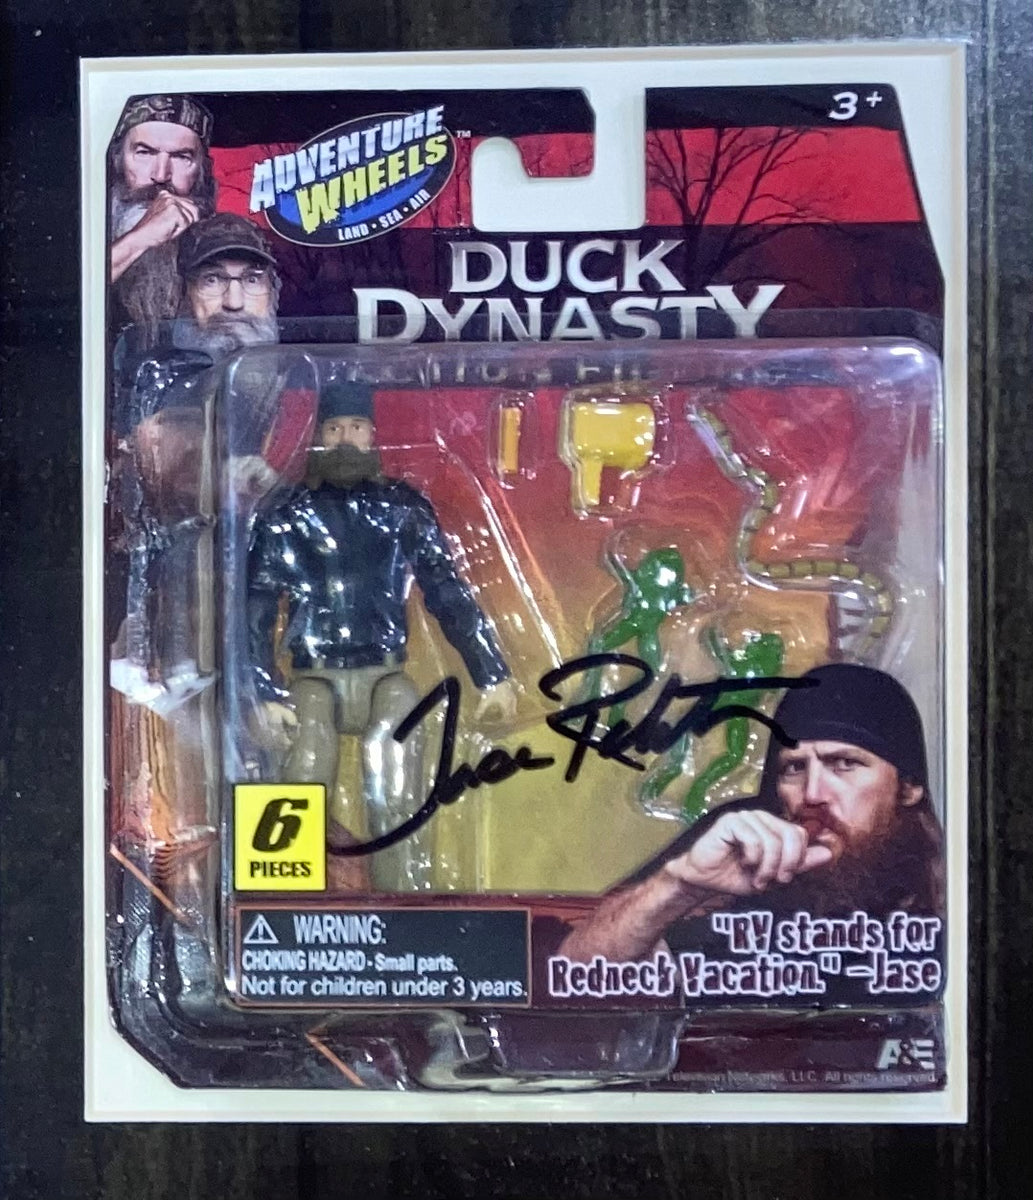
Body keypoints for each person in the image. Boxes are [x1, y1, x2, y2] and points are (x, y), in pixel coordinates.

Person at [247, 380, 517, 892]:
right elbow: (256, 604)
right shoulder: (287, 513)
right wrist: (263, 690)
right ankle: (281, 896)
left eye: (355, 427)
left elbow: (446, 590)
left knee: (396, 780)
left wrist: (491, 673)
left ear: (372, 434)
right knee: (303, 770)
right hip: (312, 678)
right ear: (319, 436)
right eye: (333, 428)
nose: (345, 438)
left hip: (385, 675)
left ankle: (404, 899)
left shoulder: (402, 508)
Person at [559, 663, 944, 964]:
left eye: (844, 763)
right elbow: (572, 972)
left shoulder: (956, 895)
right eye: (793, 768)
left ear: (908, 787)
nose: (812, 794)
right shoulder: (741, 843)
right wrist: (680, 886)